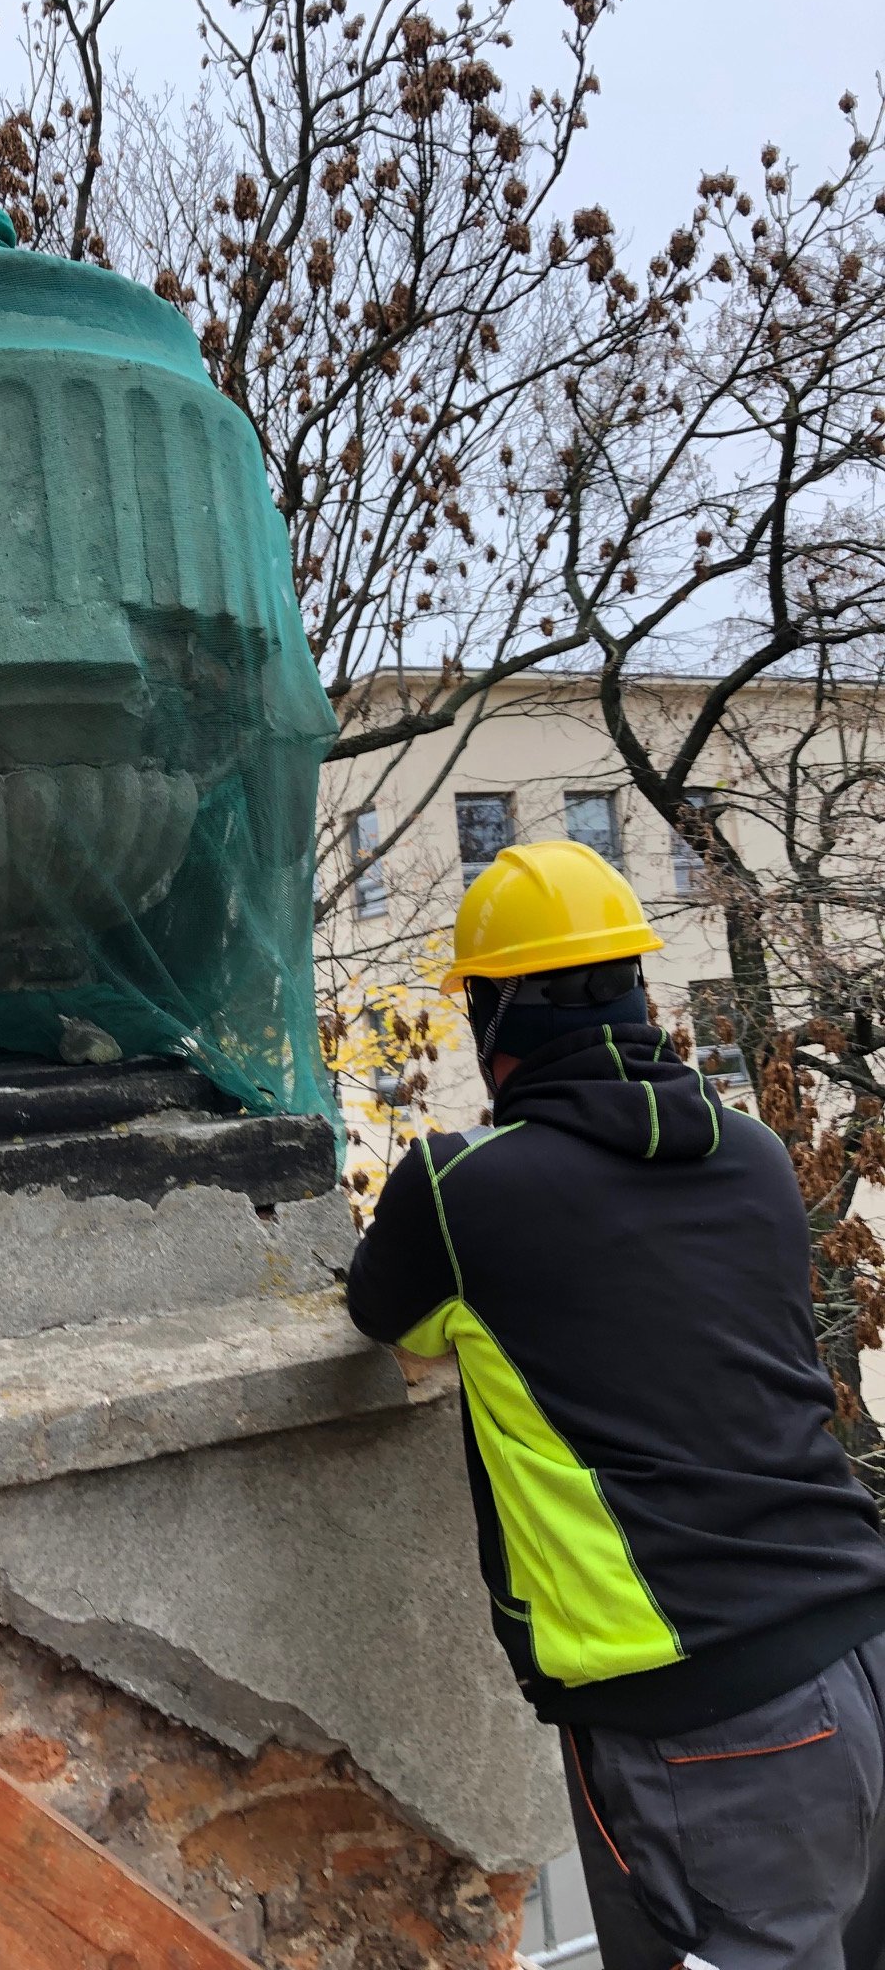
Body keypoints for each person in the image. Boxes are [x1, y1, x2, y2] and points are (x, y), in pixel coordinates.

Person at [346, 839, 885, 1970]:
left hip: (708, 1714)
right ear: (640, 991)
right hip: (858, 1647)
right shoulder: (755, 1157)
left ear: (494, 1024)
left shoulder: (458, 1194)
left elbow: (385, 1319)